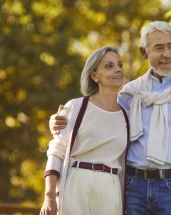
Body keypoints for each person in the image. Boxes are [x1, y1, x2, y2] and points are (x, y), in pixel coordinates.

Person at [50, 21, 171, 215]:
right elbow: (102, 117)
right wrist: (59, 121)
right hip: (132, 187)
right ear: (144, 52)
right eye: (159, 48)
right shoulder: (131, 93)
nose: (167, 54)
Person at [41, 46, 129, 215]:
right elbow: (56, 152)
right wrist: (49, 196)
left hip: (110, 186)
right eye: (109, 66)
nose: (118, 69)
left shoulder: (127, 114)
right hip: (76, 182)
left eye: (120, 65)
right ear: (94, 75)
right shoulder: (76, 107)